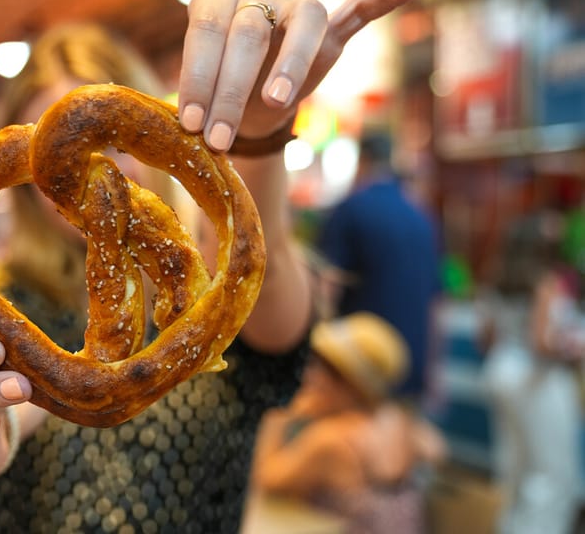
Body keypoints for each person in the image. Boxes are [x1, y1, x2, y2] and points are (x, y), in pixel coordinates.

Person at [0, 0, 419, 533]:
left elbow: (259, 283)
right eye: (64, 167)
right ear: (32, 181)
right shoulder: (5, 299)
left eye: (107, 147)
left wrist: (255, 135)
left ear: (153, 133)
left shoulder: (209, 297)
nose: (96, 172)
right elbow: (1, 385)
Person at [249, 312, 446, 534]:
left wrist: (281, 414)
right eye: (314, 363)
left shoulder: (330, 440)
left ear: (353, 384)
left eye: (327, 370)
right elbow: (436, 449)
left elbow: (265, 480)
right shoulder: (397, 419)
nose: (312, 377)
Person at [479, 210, 585, 534]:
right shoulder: (545, 281)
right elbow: (540, 342)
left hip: (500, 373)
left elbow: (486, 338)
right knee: (552, 475)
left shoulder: (495, 278)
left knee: (513, 466)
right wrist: (571, 348)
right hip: (537, 380)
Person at [316, 130, 441, 402]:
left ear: (363, 160)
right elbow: (436, 302)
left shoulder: (350, 209)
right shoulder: (422, 214)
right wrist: (433, 370)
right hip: (413, 362)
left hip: (362, 369)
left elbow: (329, 286)